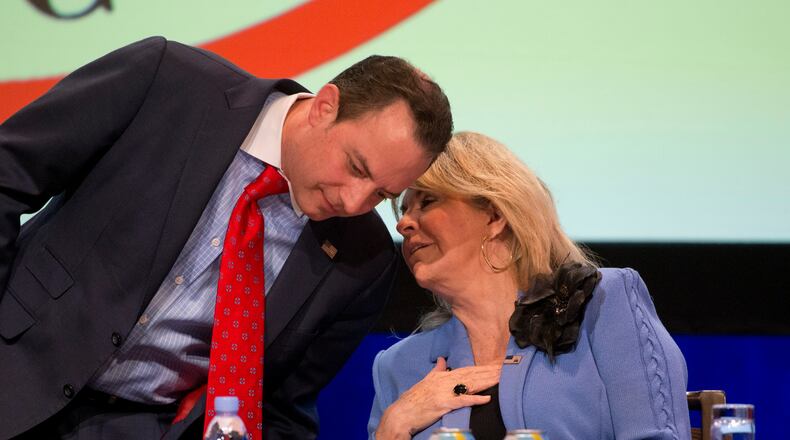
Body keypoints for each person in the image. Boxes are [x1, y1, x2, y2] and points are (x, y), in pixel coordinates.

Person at [0, 36, 453, 439]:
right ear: (324, 106)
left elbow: (281, 407)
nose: (354, 201)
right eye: (356, 167)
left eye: (381, 194)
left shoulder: (363, 258)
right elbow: (9, 173)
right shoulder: (167, 81)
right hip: (14, 365)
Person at [368, 132, 691, 439]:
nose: (403, 223)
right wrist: (392, 428)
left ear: (494, 216)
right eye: (404, 208)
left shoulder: (603, 305)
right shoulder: (398, 365)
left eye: (427, 201)